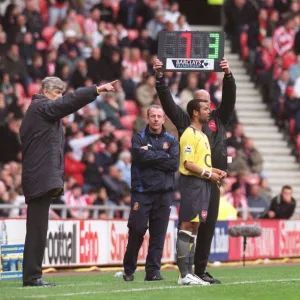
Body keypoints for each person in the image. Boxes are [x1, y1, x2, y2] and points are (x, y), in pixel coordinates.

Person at [20, 76, 118, 287]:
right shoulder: (41, 107)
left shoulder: (39, 111)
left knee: (38, 227)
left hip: (39, 176)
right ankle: (32, 276)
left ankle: (32, 275)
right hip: (39, 177)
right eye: (57, 94)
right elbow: (68, 103)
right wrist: (95, 90)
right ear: (46, 92)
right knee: (37, 228)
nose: (60, 99)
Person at [154, 57, 236, 284]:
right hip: (198, 179)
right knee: (191, 223)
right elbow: (168, 103)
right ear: (194, 107)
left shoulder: (218, 119)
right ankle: (186, 271)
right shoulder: (187, 123)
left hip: (214, 181)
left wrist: (228, 76)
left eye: (208, 103)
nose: (207, 107)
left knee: (207, 226)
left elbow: (229, 99)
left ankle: (200, 270)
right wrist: (160, 79)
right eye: (201, 104)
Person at [123, 105, 179, 282]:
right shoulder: (138, 138)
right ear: (147, 118)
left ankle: (153, 271)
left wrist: (151, 155)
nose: (155, 119)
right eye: (152, 116)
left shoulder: (172, 140)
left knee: (158, 234)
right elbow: (140, 158)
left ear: (164, 119)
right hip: (142, 192)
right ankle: (129, 268)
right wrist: (163, 155)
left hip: (164, 194)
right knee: (137, 229)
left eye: (159, 116)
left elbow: (174, 164)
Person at [176, 99, 226, 285]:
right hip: (192, 184)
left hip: (203, 184)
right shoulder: (189, 134)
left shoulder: (203, 135)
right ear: (195, 112)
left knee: (195, 226)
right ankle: (183, 274)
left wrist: (215, 172)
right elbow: (188, 164)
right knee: (187, 224)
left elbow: (203, 163)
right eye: (206, 109)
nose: (209, 112)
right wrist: (208, 174)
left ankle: (189, 272)